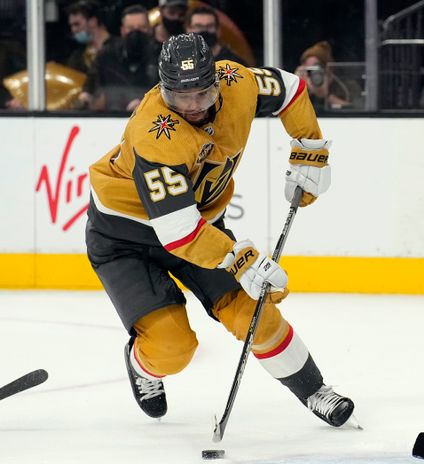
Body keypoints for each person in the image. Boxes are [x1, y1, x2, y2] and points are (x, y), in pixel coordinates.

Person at [85, 33, 355, 429]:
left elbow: (291, 88)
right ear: (163, 91)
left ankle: (314, 390)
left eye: (202, 94)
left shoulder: (237, 80)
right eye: (180, 97)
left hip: (199, 225)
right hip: (125, 237)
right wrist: (242, 260)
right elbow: (180, 233)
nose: (193, 106)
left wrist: (310, 148)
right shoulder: (154, 135)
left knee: (255, 312)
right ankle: (142, 365)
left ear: (217, 82)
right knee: (172, 348)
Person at [81, 4, 158, 112]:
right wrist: (89, 100)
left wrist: (145, 104)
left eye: (141, 28)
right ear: (122, 30)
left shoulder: (162, 56)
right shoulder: (106, 56)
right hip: (111, 119)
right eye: (130, 28)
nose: (135, 33)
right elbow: (88, 92)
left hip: (151, 118)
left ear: (149, 29)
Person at [294, 41, 359, 112]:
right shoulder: (302, 88)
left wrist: (327, 96)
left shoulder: (348, 87)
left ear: (328, 70)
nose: (315, 76)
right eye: (309, 71)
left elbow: (358, 111)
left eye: (317, 71)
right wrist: (297, 87)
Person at [66, 1, 113, 76]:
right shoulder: (76, 58)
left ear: (93, 21)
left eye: (77, 24)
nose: (73, 30)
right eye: (71, 26)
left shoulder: (120, 50)